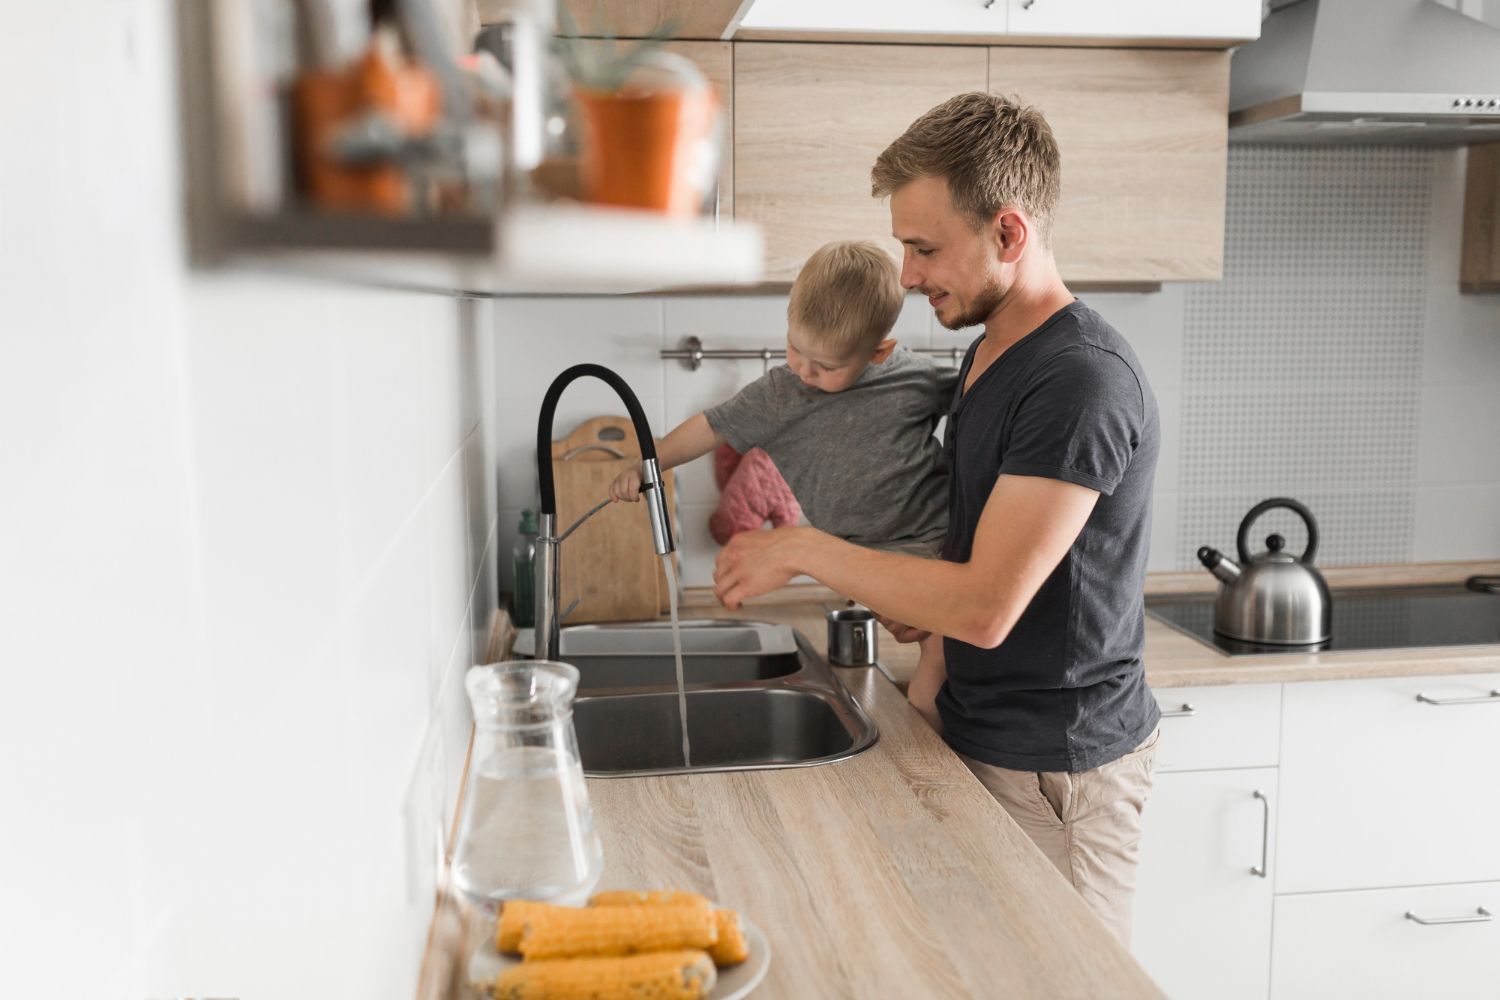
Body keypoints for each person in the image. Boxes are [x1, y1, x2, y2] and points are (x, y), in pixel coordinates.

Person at [711, 93, 1162, 946]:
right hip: (983, 739)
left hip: (1056, 772)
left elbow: (987, 606)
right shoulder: (991, 353)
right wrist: (922, 657)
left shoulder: (1079, 381)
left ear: (1009, 234)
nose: (908, 276)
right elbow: (968, 558)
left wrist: (805, 550)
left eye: (923, 248)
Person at [610, 240, 956, 697]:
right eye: (795, 348)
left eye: (826, 365)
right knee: (938, 648)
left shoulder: (913, 377)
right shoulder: (780, 393)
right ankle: (927, 741)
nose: (805, 371)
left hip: (936, 539)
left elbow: (982, 394)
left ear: (878, 351)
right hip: (860, 560)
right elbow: (710, 426)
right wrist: (646, 464)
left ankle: (928, 751)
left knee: (943, 649)